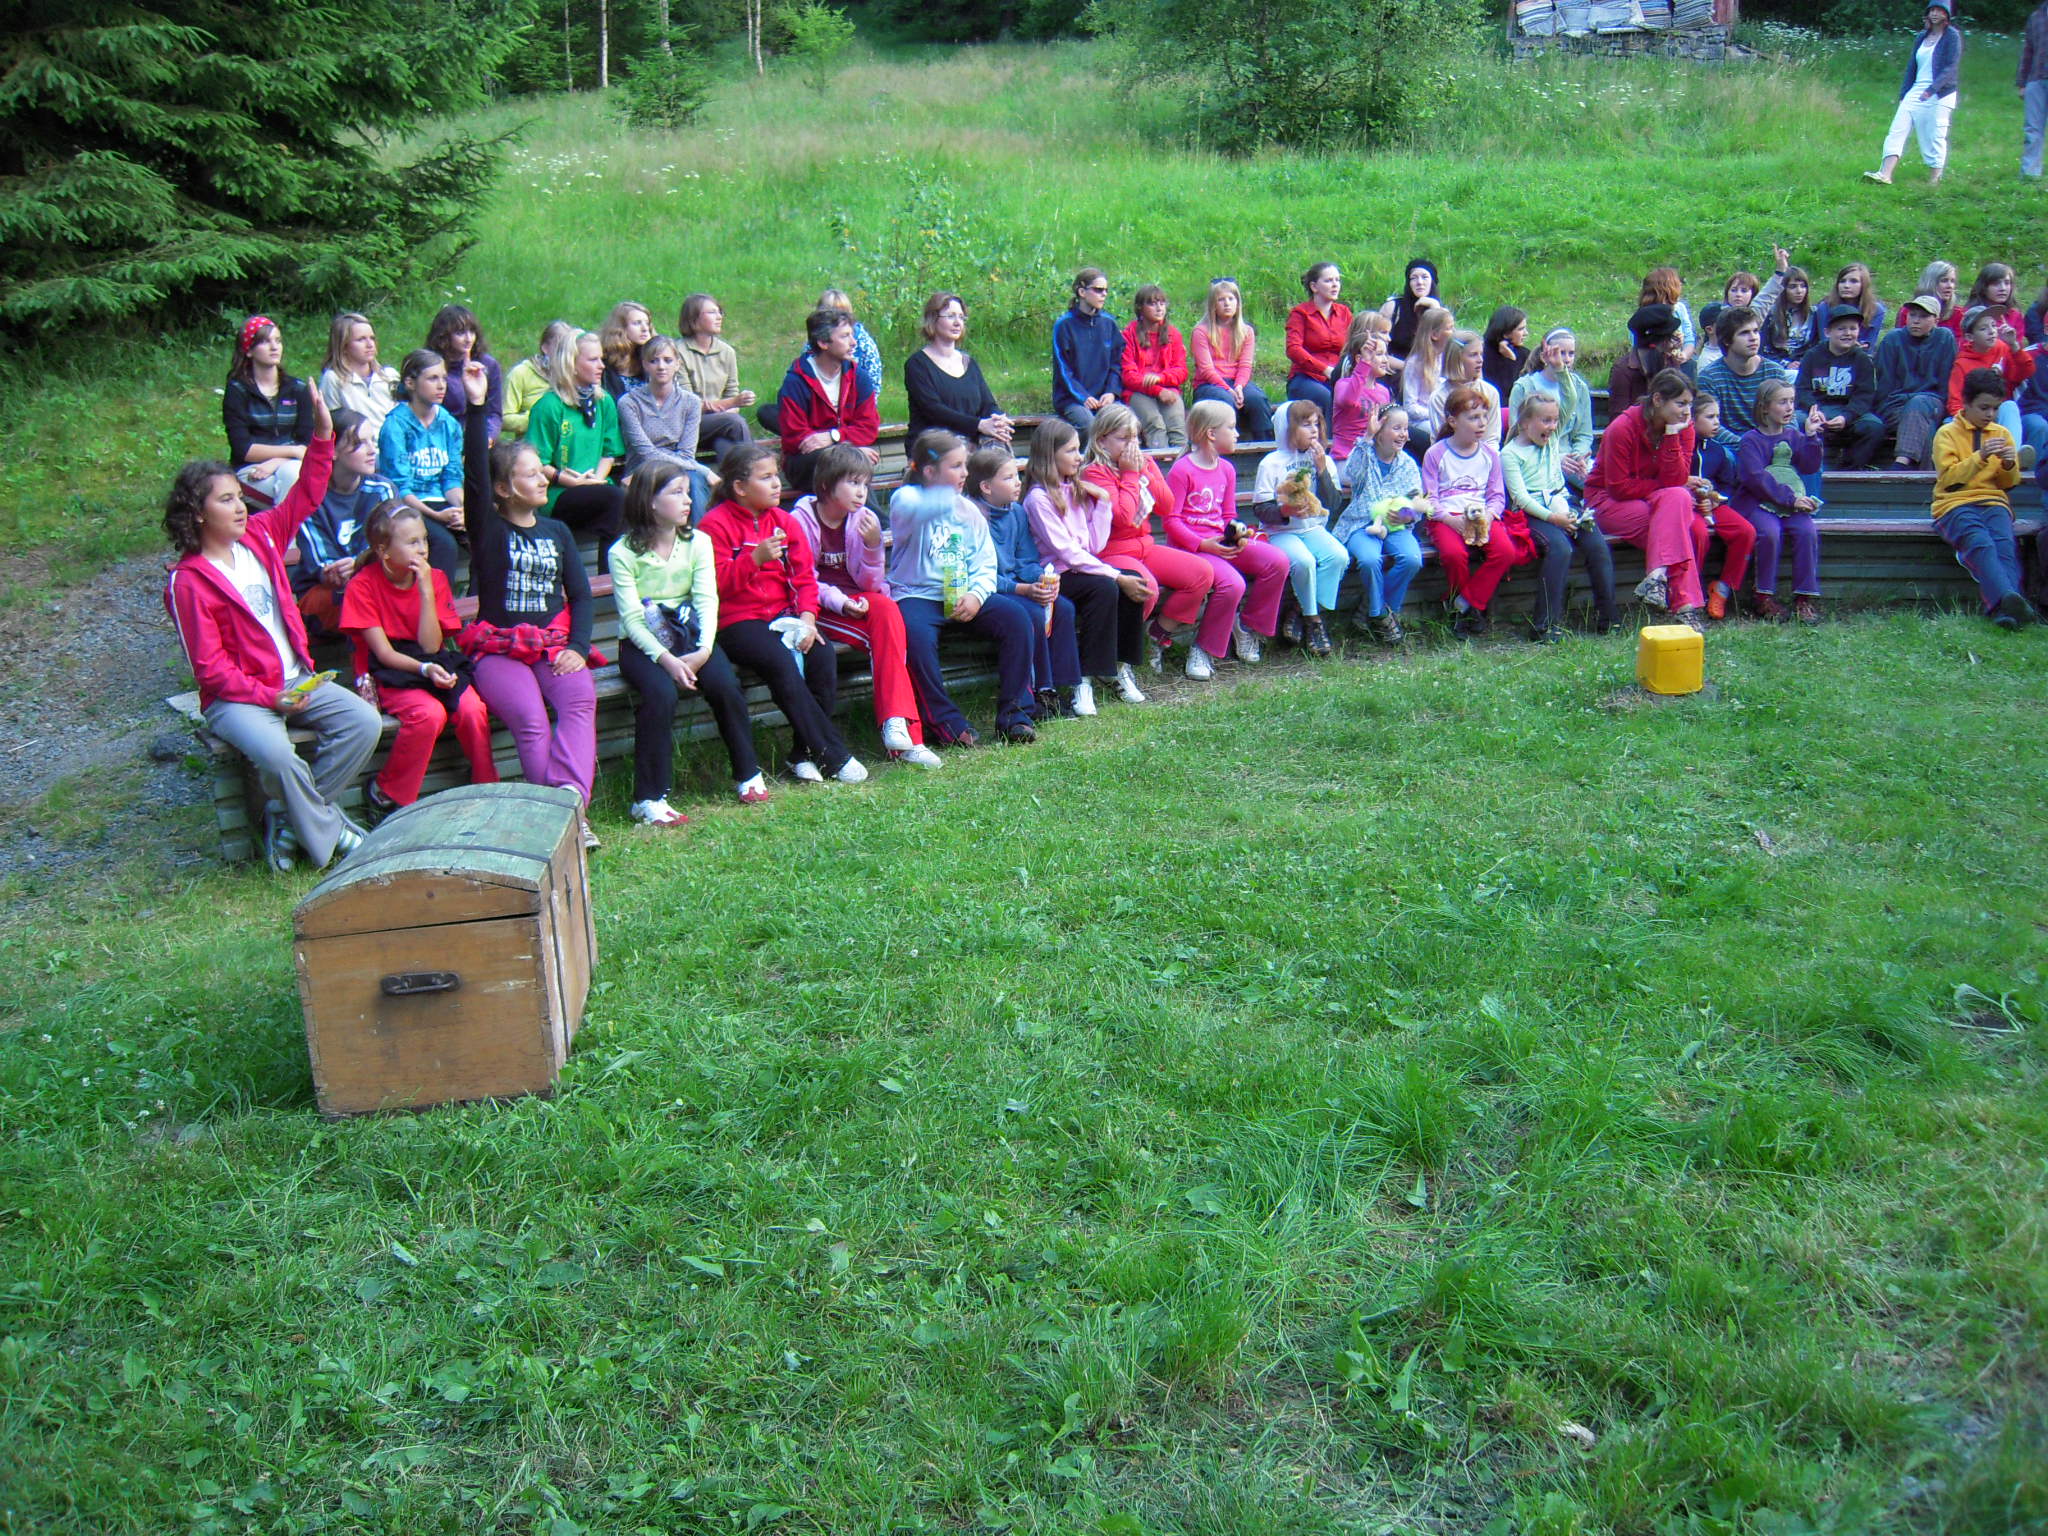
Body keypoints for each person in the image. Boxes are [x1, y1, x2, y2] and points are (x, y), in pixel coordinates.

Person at [164, 388, 378, 872]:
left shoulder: (260, 536)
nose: (240, 507)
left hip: (295, 679)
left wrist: (322, 434)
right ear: (198, 513)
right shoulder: (188, 581)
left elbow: (308, 492)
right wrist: (269, 698)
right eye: (226, 500)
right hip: (237, 699)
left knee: (362, 723)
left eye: (240, 497)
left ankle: (287, 819)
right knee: (280, 756)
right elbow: (211, 671)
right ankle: (333, 839)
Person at [455, 365, 601, 842]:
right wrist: (477, 407)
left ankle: (571, 807)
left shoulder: (557, 531)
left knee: (579, 699)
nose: (543, 479)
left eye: (542, 472)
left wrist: (577, 646)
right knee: (532, 720)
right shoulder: (488, 529)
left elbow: (581, 595)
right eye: (531, 474)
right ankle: (556, 820)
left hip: (553, 643)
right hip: (498, 648)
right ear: (504, 488)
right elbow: (475, 478)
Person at [608, 460, 774, 823]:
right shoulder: (622, 552)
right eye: (677, 493)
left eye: (687, 492)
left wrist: (704, 650)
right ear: (651, 501)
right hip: (643, 644)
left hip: (691, 636)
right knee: (660, 694)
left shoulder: (698, 541)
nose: (688, 500)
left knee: (725, 685)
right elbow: (632, 619)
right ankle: (648, 798)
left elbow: (707, 599)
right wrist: (667, 660)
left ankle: (748, 774)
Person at [698, 441, 867, 782]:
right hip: (737, 621)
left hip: (784, 614)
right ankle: (832, 755)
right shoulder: (714, 526)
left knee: (821, 655)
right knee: (779, 661)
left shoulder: (785, 522)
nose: (777, 484)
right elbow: (714, 586)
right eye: (766, 478)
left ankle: (801, 754)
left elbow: (805, 579)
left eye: (776, 475)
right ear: (740, 487)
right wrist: (754, 560)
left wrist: (807, 618)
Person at [340, 502, 497, 816]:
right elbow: (383, 654)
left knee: (472, 708)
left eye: (424, 539)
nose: (423, 548)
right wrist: (425, 668)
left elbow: (431, 645)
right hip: (391, 669)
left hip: (432, 658)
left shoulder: (433, 578)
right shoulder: (362, 586)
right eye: (412, 542)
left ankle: (487, 787)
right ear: (384, 551)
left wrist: (426, 591)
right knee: (428, 714)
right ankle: (388, 794)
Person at [788, 445, 941, 768]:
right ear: (827, 484)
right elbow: (804, 581)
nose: (862, 492)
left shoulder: (862, 519)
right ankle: (908, 737)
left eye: (865, 484)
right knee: (887, 635)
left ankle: (897, 724)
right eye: (853, 483)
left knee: (887, 611)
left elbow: (871, 584)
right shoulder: (800, 520)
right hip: (816, 607)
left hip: (856, 599)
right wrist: (841, 602)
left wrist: (873, 546)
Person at [887, 431, 1041, 745]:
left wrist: (976, 595)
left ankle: (1015, 715)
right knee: (915, 638)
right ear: (930, 471)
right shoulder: (905, 499)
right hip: (917, 594)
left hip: (964, 593)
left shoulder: (969, 511)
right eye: (956, 466)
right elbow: (919, 508)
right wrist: (944, 493)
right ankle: (945, 723)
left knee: (1017, 618)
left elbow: (985, 564)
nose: (965, 473)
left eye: (965, 465)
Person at [1082, 405, 1222, 673]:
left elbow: (1167, 506)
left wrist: (1145, 470)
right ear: (1101, 440)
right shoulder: (1094, 472)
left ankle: (1156, 634)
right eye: (1123, 439)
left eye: (1135, 437)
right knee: (1147, 589)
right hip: (1112, 551)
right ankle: (1119, 656)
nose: (1131, 445)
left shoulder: (1141, 463)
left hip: (1144, 546)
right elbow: (1123, 517)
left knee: (1202, 573)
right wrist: (1130, 474)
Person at [1022, 419, 1151, 712]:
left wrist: (1103, 503)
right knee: (1106, 587)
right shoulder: (1038, 499)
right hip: (1055, 574)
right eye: (1071, 450)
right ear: (1050, 454)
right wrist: (1116, 576)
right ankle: (1083, 681)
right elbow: (1067, 553)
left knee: (1133, 580)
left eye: (1078, 449)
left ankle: (1119, 667)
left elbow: (1094, 546)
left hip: (1082, 568)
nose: (1079, 457)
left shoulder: (1075, 490)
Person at [1165, 399, 1292, 670]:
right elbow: (1171, 521)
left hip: (1220, 541)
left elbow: (1228, 515)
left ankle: (1246, 627)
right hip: (1192, 548)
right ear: (1211, 433)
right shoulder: (1182, 470)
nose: (1237, 434)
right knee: (1233, 584)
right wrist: (1203, 544)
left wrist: (1238, 534)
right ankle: (1203, 649)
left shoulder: (1227, 469)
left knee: (1277, 561)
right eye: (1231, 428)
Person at [291, 409, 432, 640]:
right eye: (359, 444)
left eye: (372, 441)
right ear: (332, 451)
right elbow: (325, 570)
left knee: (410, 584)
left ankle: (405, 654)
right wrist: (352, 568)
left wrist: (360, 563)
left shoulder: (383, 489)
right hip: (327, 594)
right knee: (363, 596)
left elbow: (396, 547)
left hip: (375, 582)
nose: (371, 450)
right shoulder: (309, 498)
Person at [1587, 368, 1711, 630]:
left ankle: (1657, 577)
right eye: (1680, 404)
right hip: (1608, 501)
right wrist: (1662, 487)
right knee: (1681, 527)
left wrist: (1671, 436)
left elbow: (1676, 480)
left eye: (1690, 404)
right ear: (1657, 400)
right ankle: (1686, 606)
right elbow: (1619, 488)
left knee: (1679, 499)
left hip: (1656, 500)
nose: (1687, 412)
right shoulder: (1622, 428)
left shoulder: (1683, 428)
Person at [967, 445, 1084, 718]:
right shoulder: (972, 517)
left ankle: (1062, 688)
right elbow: (978, 574)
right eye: (1008, 477)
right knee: (1031, 612)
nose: (1018, 482)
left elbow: (1026, 560)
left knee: (1062, 607)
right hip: (987, 591)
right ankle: (1039, 691)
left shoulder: (1017, 513)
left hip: (1015, 585)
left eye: (1017, 475)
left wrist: (1042, 579)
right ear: (986, 487)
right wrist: (1023, 589)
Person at [1501, 394, 1613, 642]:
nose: (1552, 426)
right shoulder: (1510, 454)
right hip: (1533, 513)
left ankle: (1608, 618)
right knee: (1560, 549)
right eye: (1545, 420)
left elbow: (1571, 398)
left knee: (1596, 545)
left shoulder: (1551, 439)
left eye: (1554, 421)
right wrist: (1553, 518)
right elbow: (1520, 497)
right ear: (1525, 423)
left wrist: (1564, 513)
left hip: (1561, 503)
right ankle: (1545, 624)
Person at [1933, 369, 2038, 625]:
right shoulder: (1947, 434)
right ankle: (2010, 603)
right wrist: (1980, 457)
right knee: (1981, 543)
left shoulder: (2001, 433)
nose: (1990, 414)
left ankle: (2004, 611)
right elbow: (1949, 479)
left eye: (1995, 408)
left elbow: (2007, 484)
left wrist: (2009, 465)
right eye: (1984, 408)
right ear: (1966, 403)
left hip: (1994, 502)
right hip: (1954, 504)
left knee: (2005, 546)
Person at [1251, 399, 1354, 655]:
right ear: (1287, 428)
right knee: (1304, 562)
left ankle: (1298, 610)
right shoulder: (1271, 463)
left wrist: (1321, 470)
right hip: (1280, 532)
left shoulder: (1324, 460)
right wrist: (1284, 512)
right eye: (1305, 424)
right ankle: (1314, 621)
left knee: (1339, 557)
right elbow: (1261, 508)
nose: (1314, 430)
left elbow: (1333, 503)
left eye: (1316, 424)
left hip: (1313, 528)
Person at [1421, 386, 1522, 638]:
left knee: (1506, 551)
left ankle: (1465, 603)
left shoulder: (1490, 454)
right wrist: (1451, 521)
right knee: (1454, 554)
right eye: (1473, 417)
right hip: (1447, 518)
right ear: (1453, 421)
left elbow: (1497, 496)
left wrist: (1488, 515)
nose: (1482, 423)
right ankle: (1464, 611)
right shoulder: (1436, 454)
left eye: (1484, 416)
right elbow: (1429, 498)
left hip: (1481, 516)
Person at [1730, 378, 1827, 624]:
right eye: (1782, 402)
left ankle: (1804, 598)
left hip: (1790, 503)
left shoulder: (1794, 435)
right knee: (1770, 534)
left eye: (1792, 401)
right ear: (1764, 407)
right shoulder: (1750, 440)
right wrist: (1791, 499)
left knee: (1807, 531)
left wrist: (1811, 436)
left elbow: (1809, 465)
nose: (1789, 407)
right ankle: (1763, 596)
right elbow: (1756, 478)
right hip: (1758, 502)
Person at [525, 330, 627, 561]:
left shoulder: (604, 402)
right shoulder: (549, 406)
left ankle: (610, 574)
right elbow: (537, 462)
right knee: (615, 500)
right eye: (593, 360)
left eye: (601, 359)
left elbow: (609, 452)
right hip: (558, 491)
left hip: (596, 485)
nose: (601, 366)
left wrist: (596, 479)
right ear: (571, 364)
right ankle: (608, 575)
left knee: (624, 502)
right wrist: (570, 481)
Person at [1334, 404, 1428, 645]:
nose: (1403, 434)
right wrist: (1367, 437)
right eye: (1397, 428)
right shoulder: (1365, 454)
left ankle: (1377, 605)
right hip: (1363, 524)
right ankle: (1381, 616)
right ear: (1380, 431)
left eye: (1406, 429)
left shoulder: (1408, 464)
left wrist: (1408, 516)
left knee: (1412, 559)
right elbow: (1351, 473)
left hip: (1396, 526)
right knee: (1369, 560)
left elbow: (1416, 500)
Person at [777, 307, 881, 497]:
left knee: (852, 467)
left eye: (852, 335)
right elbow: (797, 440)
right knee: (852, 465)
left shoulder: (858, 377)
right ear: (823, 343)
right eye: (845, 336)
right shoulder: (796, 382)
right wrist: (849, 453)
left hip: (845, 456)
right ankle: (875, 517)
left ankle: (870, 515)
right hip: (805, 464)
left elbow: (868, 427)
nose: (854, 342)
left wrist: (834, 437)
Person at [1866, 3, 1963, 187]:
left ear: (1947, 15)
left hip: (1941, 93)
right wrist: (1904, 93)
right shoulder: (1922, 36)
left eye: (1939, 10)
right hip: (1916, 91)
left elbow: (1950, 67)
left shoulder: (1952, 36)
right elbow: (1912, 66)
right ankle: (1884, 174)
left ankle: (1934, 180)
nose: (1935, 14)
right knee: (1897, 129)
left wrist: (1931, 90)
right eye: (1932, 10)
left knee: (1934, 135)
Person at [903, 292, 1011, 450]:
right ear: (933, 319)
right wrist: (978, 424)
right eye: (950, 316)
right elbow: (934, 411)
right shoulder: (917, 365)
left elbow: (988, 404)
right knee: (960, 452)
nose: (957, 323)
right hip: (933, 446)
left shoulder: (969, 363)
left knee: (999, 441)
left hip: (971, 440)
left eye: (961, 317)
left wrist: (997, 420)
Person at [376, 350, 466, 538]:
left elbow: (452, 477)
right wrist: (436, 516)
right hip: (409, 505)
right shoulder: (395, 426)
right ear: (410, 383)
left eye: (444, 378)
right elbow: (399, 487)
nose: (441, 385)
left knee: (479, 534)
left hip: (442, 500)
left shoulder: (448, 424)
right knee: (444, 544)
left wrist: (462, 510)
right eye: (432, 378)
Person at [223, 315, 312, 500]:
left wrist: (278, 460)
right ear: (249, 350)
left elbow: (306, 443)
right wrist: (292, 451)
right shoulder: (237, 390)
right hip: (251, 469)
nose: (274, 347)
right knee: (296, 490)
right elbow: (243, 449)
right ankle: (288, 518)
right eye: (265, 342)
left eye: (278, 341)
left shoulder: (298, 388)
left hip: (293, 464)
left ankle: (284, 518)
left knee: (293, 476)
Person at [1947, 304, 2046, 468]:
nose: (1991, 331)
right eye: (1983, 328)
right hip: (1975, 414)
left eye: (1993, 325)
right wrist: (1971, 417)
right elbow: (1955, 402)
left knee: (2010, 406)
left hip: (2001, 411)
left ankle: (2012, 456)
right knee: (1949, 422)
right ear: (1970, 337)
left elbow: (2025, 372)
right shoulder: (1962, 364)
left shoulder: (2002, 348)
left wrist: (2014, 346)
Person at [1874, 294, 1959, 469]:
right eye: (1912, 315)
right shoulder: (1893, 339)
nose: (1916, 321)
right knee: (1925, 425)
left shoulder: (1944, 338)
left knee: (1920, 404)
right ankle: (1923, 480)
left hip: (1932, 404)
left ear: (1936, 320)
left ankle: (1901, 464)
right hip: (1897, 406)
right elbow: (1885, 386)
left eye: (1923, 316)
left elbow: (1946, 385)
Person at [1794, 307, 1886, 470]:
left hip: (1848, 411)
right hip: (1817, 409)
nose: (1848, 333)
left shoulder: (1862, 359)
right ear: (1827, 332)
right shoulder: (1812, 356)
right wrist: (1813, 411)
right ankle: (1806, 467)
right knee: (1797, 421)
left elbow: (1864, 395)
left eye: (1853, 328)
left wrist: (1846, 417)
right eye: (1841, 329)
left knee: (1873, 426)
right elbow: (1802, 389)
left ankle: (1850, 470)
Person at [1508, 328, 1596, 488]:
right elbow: (1519, 434)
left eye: (1571, 353)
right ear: (1544, 356)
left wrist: (1579, 457)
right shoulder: (1524, 387)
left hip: (1571, 458)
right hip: (1536, 459)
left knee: (1602, 482)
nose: (1567, 359)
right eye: (1561, 353)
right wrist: (1556, 458)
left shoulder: (1579, 387)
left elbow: (1584, 434)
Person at [1191, 278, 1273, 441]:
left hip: (1237, 382)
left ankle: (1265, 445)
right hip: (1210, 384)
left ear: (1238, 303)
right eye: (1221, 300)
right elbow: (1206, 370)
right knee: (1225, 400)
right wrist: (1229, 390)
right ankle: (1227, 445)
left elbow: (1245, 365)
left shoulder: (1246, 331)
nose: (1227, 303)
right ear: (1213, 305)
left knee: (1256, 399)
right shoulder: (1201, 331)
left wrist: (1239, 387)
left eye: (1231, 299)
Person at [617, 334, 707, 483]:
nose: (661, 367)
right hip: (641, 472)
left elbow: (687, 455)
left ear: (677, 364)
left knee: (694, 479)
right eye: (654, 361)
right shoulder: (629, 403)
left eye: (668, 360)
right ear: (645, 365)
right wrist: (704, 470)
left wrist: (694, 468)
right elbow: (646, 453)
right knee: (694, 476)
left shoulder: (691, 402)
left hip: (681, 470)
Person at [677, 294, 757, 458]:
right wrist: (732, 404)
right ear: (693, 319)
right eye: (712, 312)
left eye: (720, 312)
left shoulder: (727, 352)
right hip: (687, 423)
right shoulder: (677, 352)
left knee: (726, 446)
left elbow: (731, 392)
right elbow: (689, 405)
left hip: (721, 423)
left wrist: (732, 406)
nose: (719, 317)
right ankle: (756, 466)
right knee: (734, 423)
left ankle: (743, 471)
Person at [1696, 306, 1788, 446]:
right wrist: (1748, 446)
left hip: (1772, 442)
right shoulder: (1709, 378)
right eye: (1744, 333)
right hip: (1733, 446)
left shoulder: (1774, 372)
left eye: (1755, 331)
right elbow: (1711, 424)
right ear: (1727, 340)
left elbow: (1789, 416)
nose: (1753, 338)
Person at [1052, 268, 1123, 438]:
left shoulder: (1109, 323)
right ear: (1082, 292)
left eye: (1106, 290)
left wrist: (1111, 392)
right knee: (1089, 426)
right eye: (1098, 290)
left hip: (1104, 398)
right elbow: (1063, 370)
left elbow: (1117, 364)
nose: (1104, 294)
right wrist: (1083, 397)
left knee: (1125, 422)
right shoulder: (1064, 325)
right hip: (1072, 399)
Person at [1284, 261, 1351, 427]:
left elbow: (1353, 345)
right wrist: (1324, 369)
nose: (1335, 285)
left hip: (1338, 377)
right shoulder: (1300, 313)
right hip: (1305, 377)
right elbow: (1293, 349)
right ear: (1314, 286)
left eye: (1337, 280)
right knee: (1327, 398)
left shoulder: (1344, 313)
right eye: (1328, 281)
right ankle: (1327, 441)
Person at [1121, 284, 1188, 449]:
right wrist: (1157, 390)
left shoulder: (1173, 334)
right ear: (1140, 308)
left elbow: (1181, 371)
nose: (1159, 308)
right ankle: (1160, 462)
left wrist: (1161, 378)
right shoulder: (1128, 335)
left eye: (1162, 303)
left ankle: (1182, 463)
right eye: (1152, 303)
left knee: (1177, 425)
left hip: (1168, 389)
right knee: (1155, 423)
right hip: (1138, 392)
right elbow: (1128, 375)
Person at [429, 304, 502, 445]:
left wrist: (488, 436)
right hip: (443, 439)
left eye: (472, 332)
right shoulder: (432, 366)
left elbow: (494, 413)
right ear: (444, 336)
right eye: (460, 333)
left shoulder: (488, 365)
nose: (469, 339)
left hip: (481, 435)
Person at [1330, 312, 1395, 461]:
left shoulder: (1383, 392)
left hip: (1374, 457)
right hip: (1346, 457)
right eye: (1379, 354)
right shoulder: (1343, 384)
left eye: (1385, 354)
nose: (1385, 360)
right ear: (1360, 359)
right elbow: (1348, 401)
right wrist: (1365, 364)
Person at [318, 312, 399, 432]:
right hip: (357, 442)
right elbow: (330, 425)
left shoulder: (389, 376)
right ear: (343, 346)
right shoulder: (333, 379)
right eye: (361, 339)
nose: (370, 344)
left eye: (372, 338)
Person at [1609, 304, 1690, 416]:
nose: (1673, 344)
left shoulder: (1670, 362)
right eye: (1670, 337)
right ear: (1662, 341)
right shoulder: (1623, 371)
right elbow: (1618, 418)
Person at [1399, 304, 1457, 454]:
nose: (1454, 332)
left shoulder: (1447, 359)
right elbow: (1410, 407)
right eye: (1449, 328)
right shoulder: (1416, 363)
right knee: (1445, 435)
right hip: (1423, 420)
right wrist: (1438, 413)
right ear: (1435, 335)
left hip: (1447, 416)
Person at [503, 320, 574, 440]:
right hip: (531, 445)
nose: (565, 354)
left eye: (569, 349)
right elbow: (504, 418)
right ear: (545, 348)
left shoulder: (575, 374)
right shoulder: (521, 373)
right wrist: (537, 419)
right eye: (559, 347)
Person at [818, 288, 884, 404]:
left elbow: (874, 387)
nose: (835, 319)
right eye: (829, 314)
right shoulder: (814, 344)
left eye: (841, 313)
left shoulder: (866, 346)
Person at [1444, 331, 1503, 449]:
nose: (1480, 360)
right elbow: (1440, 440)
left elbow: (1492, 438)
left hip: (1485, 455)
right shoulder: (1440, 396)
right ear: (1457, 358)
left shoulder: (1490, 392)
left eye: (1481, 354)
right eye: (1473, 355)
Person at [1379, 258, 1441, 369]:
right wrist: (1410, 368)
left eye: (1425, 277)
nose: (1419, 282)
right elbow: (1375, 349)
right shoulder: (1393, 308)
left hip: (1430, 372)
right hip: (1394, 370)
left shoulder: (1441, 311)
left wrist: (1435, 309)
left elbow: (1449, 351)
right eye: (1414, 278)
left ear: (1433, 281)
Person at [1759, 260, 1820, 364]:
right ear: (1783, 289)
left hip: (1806, 364)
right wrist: (1785, 364)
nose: (1799, 291)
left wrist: (1804, 362)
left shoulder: (1813, 313)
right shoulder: (1771, 314)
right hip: (1776, 364)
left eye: (1803, 286)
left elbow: (1816, 345)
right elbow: (1763, 348)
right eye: (1793, 286)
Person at [599, 300, 654, 399]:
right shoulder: (603, 363)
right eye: (637, 323)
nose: (645, 329)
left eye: (647, 323)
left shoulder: (653, 360)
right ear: (621, 328)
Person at [1640, 268, 1697, 360]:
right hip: (1654, 362)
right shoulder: (1643, 316)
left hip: (1680, 361)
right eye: (1677, 285)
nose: (1681, 286)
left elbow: (1689, 338)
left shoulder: (1680, 308)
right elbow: (1640, 347)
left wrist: (1684, 355)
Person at [1480, 307, 1529, 414]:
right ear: (1505, 333)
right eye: (1521, 329)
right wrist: (1509, 362)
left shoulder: (1524, 354)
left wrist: (1512, 358)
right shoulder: (1481, 354)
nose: (1526, 333)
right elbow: (1504, 391)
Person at [1826, 263, 1887, 346]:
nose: (1846, 286)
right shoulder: (1826, 306)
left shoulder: (1876, 310)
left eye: (1853, 281)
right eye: (1842, 281)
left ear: (1864, 285)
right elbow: (1824, 339)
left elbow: (1870, 343)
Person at [2024, 0, 2048, 180]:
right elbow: (2028, 50)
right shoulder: (2036, 16)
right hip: (2036, 79)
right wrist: (2022, 82)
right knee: (2032, 130)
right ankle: (2030, 175)